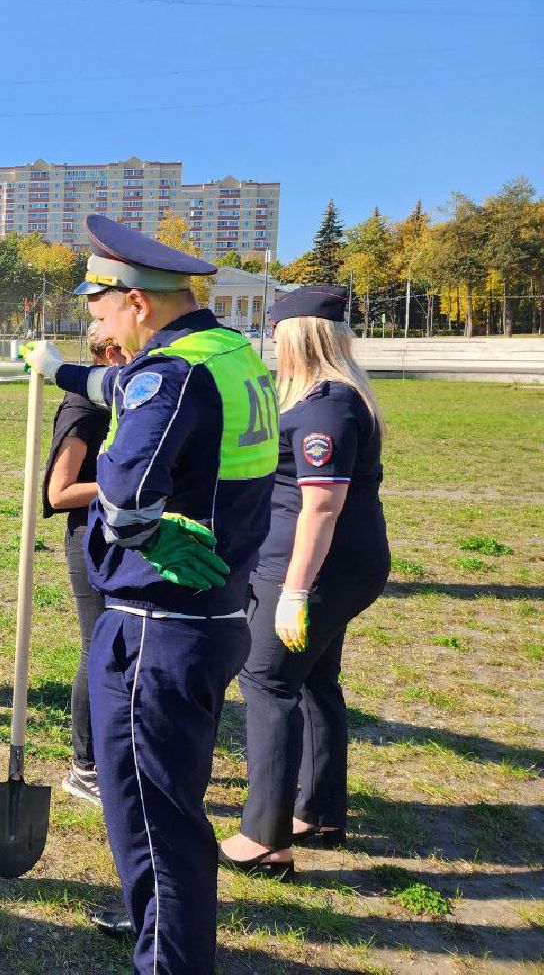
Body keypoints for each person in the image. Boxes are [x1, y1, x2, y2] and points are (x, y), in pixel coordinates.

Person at [23, 214, 277, 973]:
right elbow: (118, 382)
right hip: (217, 612)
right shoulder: (228, 354)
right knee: (175, 804)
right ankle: (164, 934)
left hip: (153, 627)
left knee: (152, 826)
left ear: (136, 301)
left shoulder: (173, 374)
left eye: (97, 306)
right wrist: (57, 371)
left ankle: (168, 959)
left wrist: (134, 530)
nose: (91, 320)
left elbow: (129, 491)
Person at [219, 286, 389, 879]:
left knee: (266, 681)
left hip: (309, 566)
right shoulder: (338, 397)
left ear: (295, 336)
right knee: (315, 678)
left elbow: (321, 505)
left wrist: (294, 591)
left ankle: (266, 839)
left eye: (273, 333)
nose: (269, 343)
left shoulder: (325, 404)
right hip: (335, 565)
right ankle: (317, 811)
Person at [40, 322, 127, 808]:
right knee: (97, 649)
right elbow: (60, 491)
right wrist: (132, 484)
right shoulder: (85, 406)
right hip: (90, 540)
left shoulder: (116, 401)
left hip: (123, 539)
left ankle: (112, 754)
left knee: (116, 648)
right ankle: (84, 767)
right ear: (112, 351)